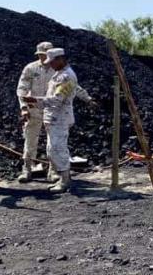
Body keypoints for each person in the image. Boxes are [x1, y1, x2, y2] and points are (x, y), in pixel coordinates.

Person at [16, 42, 95, 183]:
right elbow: (22, 88)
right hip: (34, 110)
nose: (45, 59)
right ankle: (27, 169)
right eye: (42, 55)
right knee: (30, 141)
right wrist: (23, 107)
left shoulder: (60, 71)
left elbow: (73, 87)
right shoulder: (31, 68)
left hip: (54, 112)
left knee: (53, 144)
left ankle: (54, 172)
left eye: (47, 55)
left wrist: (87, 99)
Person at [20, 48, 77, 193]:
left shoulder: (66, 77)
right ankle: (63, 177)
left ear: (60, 59)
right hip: (53, 118)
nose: (50, 65)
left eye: (52, 61)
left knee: (58, 149)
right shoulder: (59, 74)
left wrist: (35, 100)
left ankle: (65, 180)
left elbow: (57, 100)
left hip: (60, 118)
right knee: (52, 149)